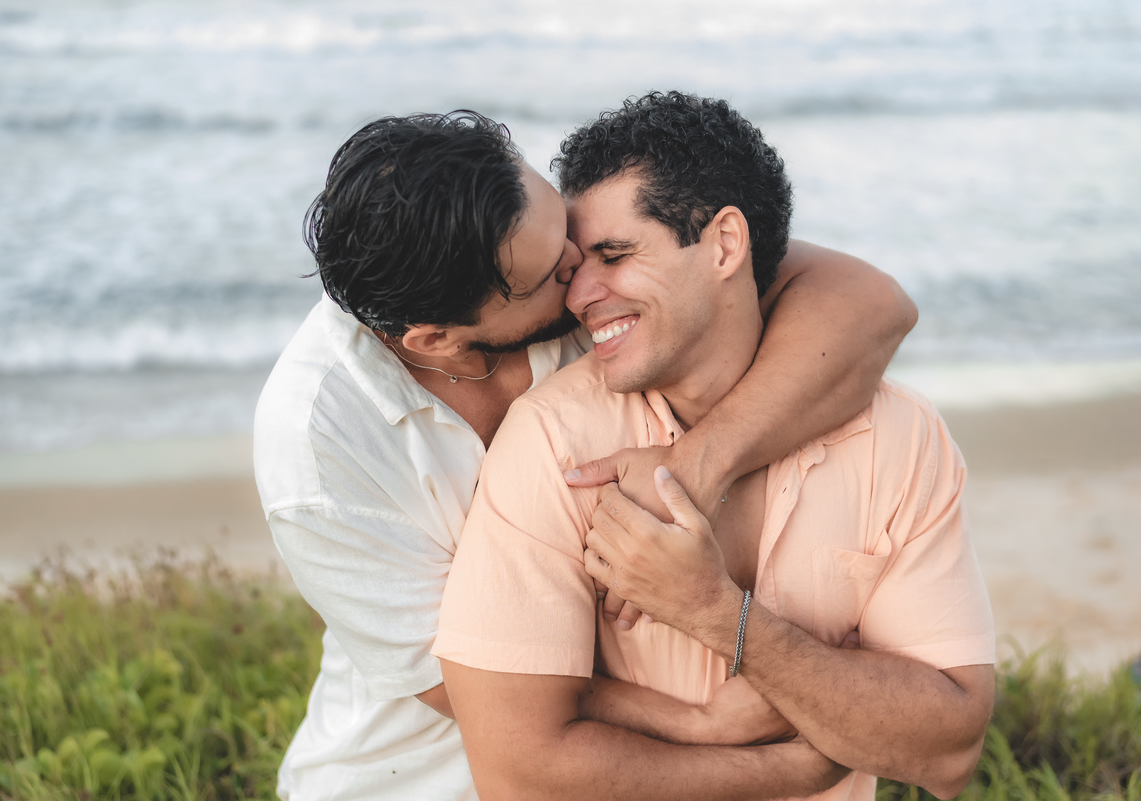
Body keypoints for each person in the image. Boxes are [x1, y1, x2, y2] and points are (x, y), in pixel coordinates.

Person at [253, 109, 917, 800]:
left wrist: (694, 467)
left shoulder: (528, 245)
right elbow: (466, 684)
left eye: (566, 229)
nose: (583, 272)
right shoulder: (318, 445)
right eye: (550, 273)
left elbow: (870, 302)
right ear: (437, 340)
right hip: (420, 778)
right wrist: (698, 721)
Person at [434, 92, 996, 801]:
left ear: (726, 244)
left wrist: (717, 614)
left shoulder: (901, 437)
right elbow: (518, 772)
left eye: (614, 254)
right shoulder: (557, 444)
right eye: (578, 265)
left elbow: (948, 746)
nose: (579, 296)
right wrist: (800, 735)